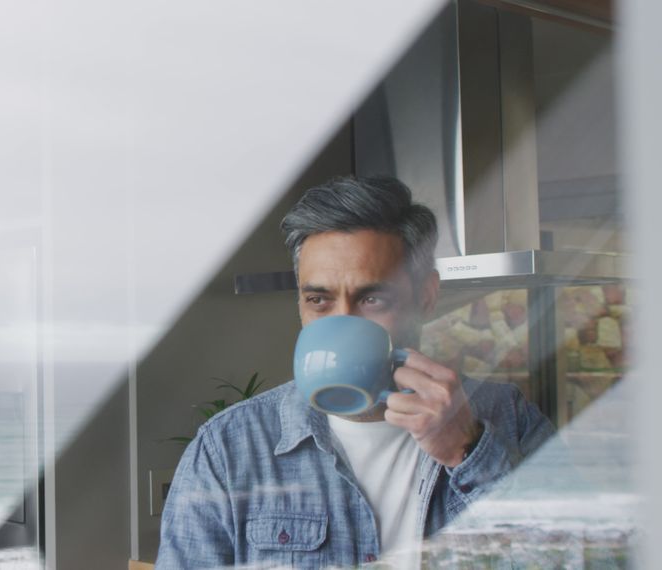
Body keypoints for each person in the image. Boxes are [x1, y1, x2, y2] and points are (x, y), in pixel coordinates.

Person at [156, 176, 554, 568]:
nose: (343, 323)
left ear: (427, 296)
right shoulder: (229, 449)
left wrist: (468, 453)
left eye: (372, 298)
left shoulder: (508, 418)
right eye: (319, 300)